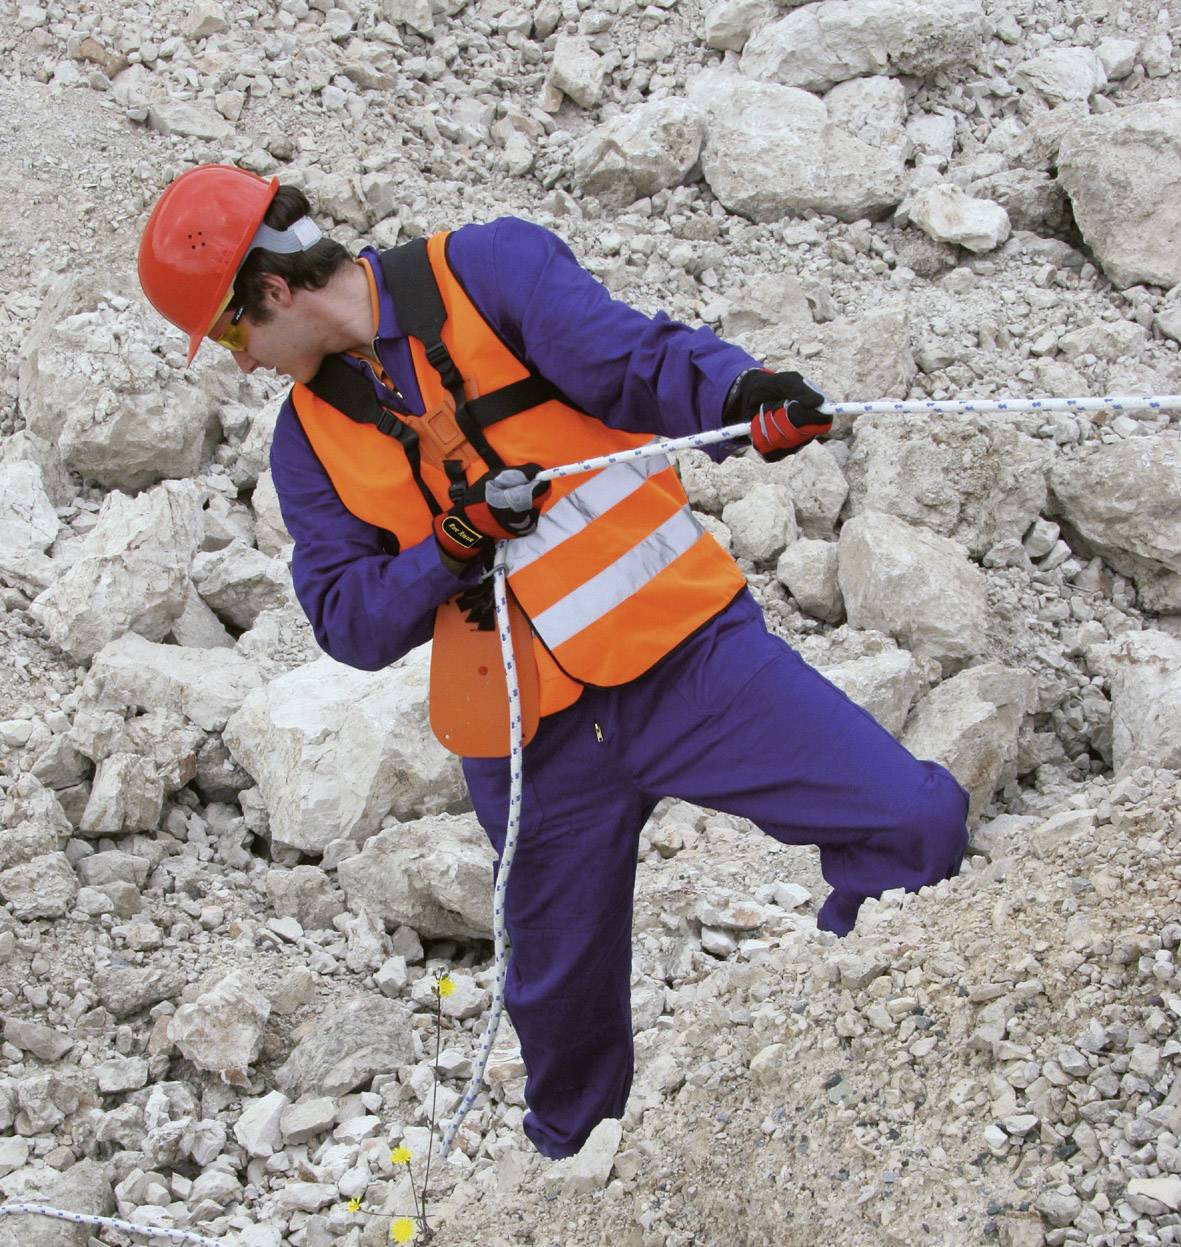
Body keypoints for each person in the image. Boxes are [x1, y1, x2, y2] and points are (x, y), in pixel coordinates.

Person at [138, 164, 968, 1160]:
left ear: (272, 289)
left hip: (688, 658)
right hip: (525, 738)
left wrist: (742, 393)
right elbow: (347, 622)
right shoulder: (304, 446)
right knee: (560, 1024)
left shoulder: (487, 269)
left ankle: (846, 1041)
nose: (238, 363)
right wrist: (451, 541)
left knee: (911, 821)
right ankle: (578, 1181)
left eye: (230, 333)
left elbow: (633, 361)